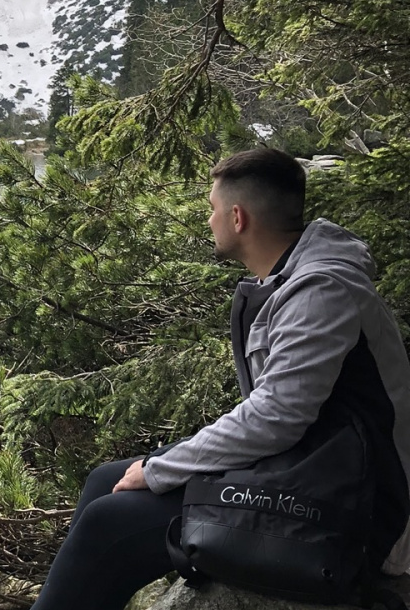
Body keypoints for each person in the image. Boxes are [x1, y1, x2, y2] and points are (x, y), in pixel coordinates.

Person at [30, 147, 410, 610]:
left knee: (108, 521)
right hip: (313, 460)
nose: (209, 220)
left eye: (212, 209)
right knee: (104, 480)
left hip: (362, 502)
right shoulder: (291, 279)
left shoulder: (321, 290)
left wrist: (159, 470)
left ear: (237, 217)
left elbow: (277, 416)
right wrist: (161, 466)